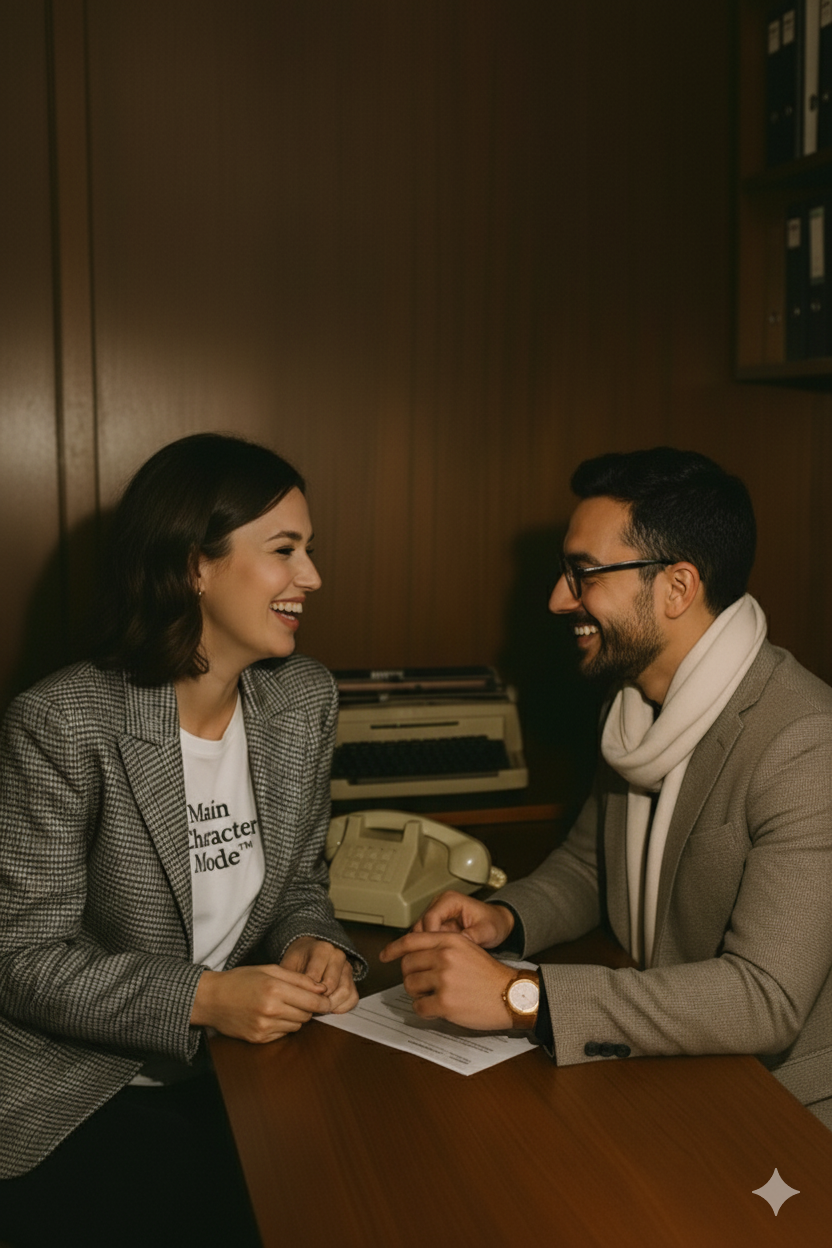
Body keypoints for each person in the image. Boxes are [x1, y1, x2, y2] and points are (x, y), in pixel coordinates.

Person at [381, 446, 832, 1131]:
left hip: (780, 1104)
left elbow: (765, 998)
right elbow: (592, 866)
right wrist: (506, 920)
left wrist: (522, 996)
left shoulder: (806, 744)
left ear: (677, 587)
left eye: (584, 573)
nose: (558, 599)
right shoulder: (629, 706)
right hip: (665, 1061)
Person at [0, 432, 366, 1247]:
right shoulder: (61, 722)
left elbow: (299, 884)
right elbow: (21, 960)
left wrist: (312, 942)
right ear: (195, 565)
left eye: (309, 550)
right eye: (285, 550)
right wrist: (205, 999)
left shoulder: (304, 699)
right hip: (82, 1088)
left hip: (242, 1070)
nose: (311, 577)